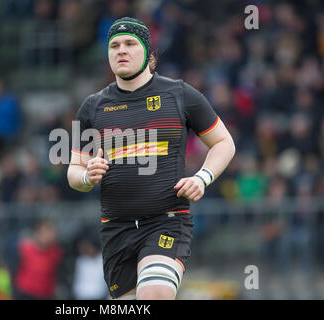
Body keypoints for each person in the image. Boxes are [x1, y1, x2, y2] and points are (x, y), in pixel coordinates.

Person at [67, 17, 236, 300]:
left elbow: (224, 142)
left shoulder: (180, 94)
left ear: (147, 51)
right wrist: (87, 176)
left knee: (154, 294)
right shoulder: (91, 107)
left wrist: (202, 178)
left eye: (130, 44)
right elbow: (73, 172)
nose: (121, 50)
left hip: (166, 221)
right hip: (116, 230)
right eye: (114, 45)